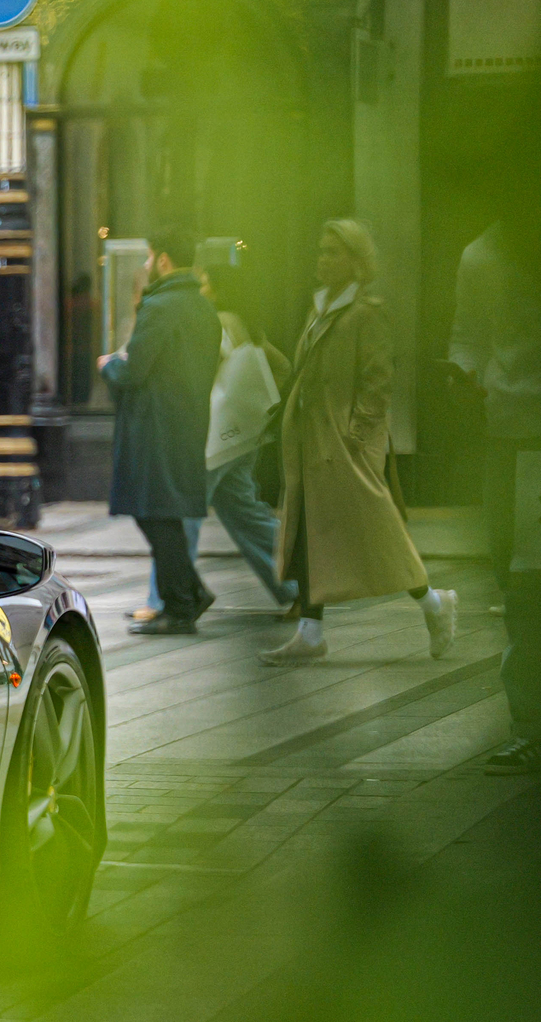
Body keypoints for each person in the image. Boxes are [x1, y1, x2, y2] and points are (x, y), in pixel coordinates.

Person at [262, 219, 458, 667]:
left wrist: (357, 435)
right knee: (311, 533)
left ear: (356, 260)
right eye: (321, 250)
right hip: (314, 444)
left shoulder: (366, 313)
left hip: (344, 446)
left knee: (379, 534)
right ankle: (311, 631)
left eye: (333, 252)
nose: (323, 259)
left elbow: (378, 381)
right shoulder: (321, 309)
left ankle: (435, 603)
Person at [445, 218, 540, 771]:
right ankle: (528, 722)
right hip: (509, 433)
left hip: (515, 432)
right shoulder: (481, 253)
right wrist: (462, 373)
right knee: (518, 578)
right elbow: (468, 335)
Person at [99, 227, 220, 636]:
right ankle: (190, 593)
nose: (147, 265)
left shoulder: (161, 306)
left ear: (165, 260)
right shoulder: (202, 307)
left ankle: (181, 604)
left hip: (154, 428)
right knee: (162, 515)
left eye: (150, 258)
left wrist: (108, 366)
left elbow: (134, 369)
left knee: (155, 515)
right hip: (185, 422)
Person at [199, 264, 300, 611]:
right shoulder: (250, 327)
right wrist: (262, 411)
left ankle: (170, 598)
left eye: (205, 282)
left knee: (183, 513)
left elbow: (205, 371)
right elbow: (285, 367)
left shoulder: (220, 322)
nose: (200, 287)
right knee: (246, 514)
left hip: (215, 441)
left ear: (218, 289)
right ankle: (298, 585)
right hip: (245, 439)